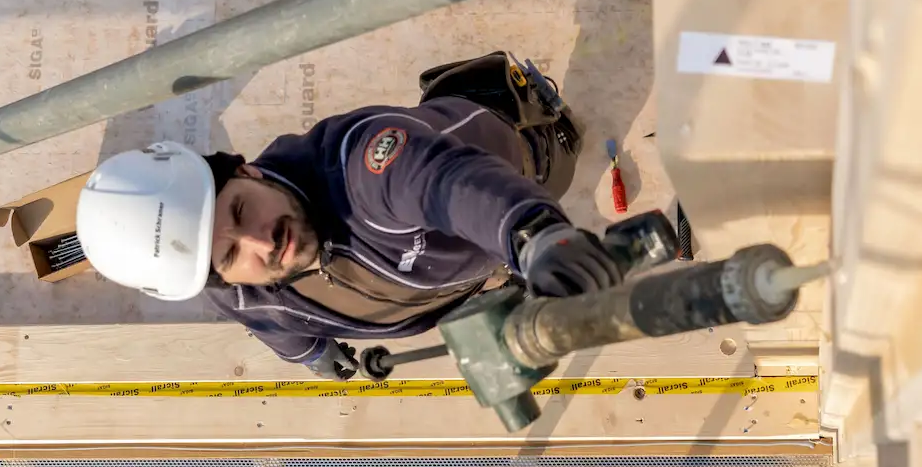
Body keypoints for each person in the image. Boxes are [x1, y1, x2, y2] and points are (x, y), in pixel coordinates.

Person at [75, 53, 624, 378]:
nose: (260, 243)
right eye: (229, 253)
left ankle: (513, 106)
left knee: (553, 168)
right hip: (468, 280)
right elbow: (269, 322)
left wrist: (535, 235)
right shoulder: (232, 285)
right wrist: (315, 353)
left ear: (249, 172)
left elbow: (448, 186)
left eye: (241, 210)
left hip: (508, 166)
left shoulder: (361, 168)